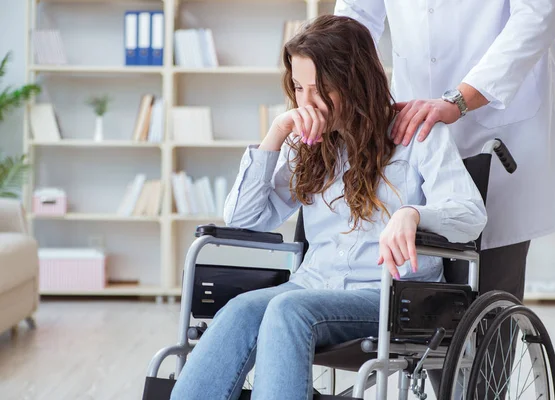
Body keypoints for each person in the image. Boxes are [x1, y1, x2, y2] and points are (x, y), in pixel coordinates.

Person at [170, 15, 486, 400]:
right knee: (240, 311)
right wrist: (277, 133)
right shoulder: (310, 145)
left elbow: (470, 213)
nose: (307, 103)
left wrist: (414, 214)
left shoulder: (416, 134)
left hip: (386, 295)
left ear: (353, 83)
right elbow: (243, 218)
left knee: (288, 311)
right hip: (312, 285)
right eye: (299, 88)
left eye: (318, 90)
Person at [333, 0, 555, 300]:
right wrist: (332, 89)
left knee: (489, 294)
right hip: (413, 124)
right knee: (408, 288)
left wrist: (460, 99)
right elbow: (355, 18)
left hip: (497, 123)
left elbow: (537, 15)